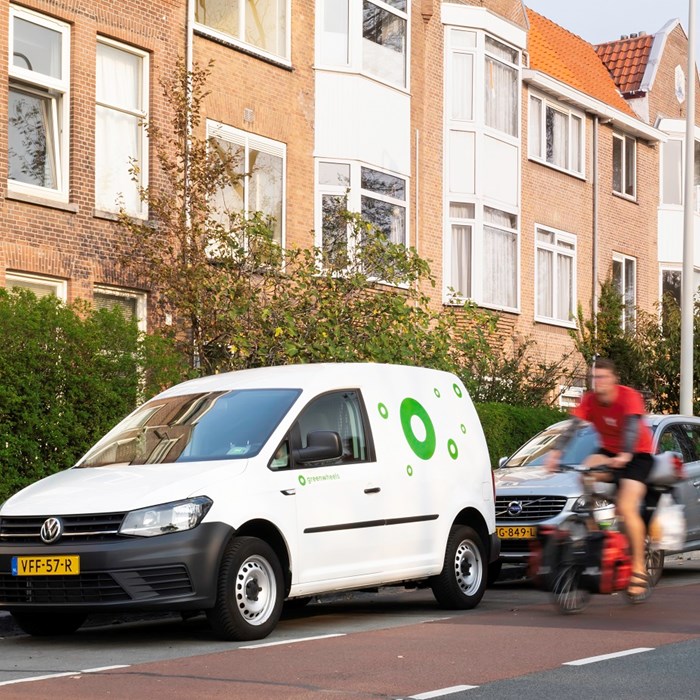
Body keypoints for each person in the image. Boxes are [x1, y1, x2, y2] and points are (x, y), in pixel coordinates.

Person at [547, 358, 654, 603]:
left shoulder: (629, 397)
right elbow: (573, 427)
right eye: (594, 378)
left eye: (603, 378)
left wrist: (625, 454)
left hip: (637, 455)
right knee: (587, 470)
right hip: (609, 452)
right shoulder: (589, 400)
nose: (598, 383)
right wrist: (555, 453)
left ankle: (638, 568)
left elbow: (630, 427)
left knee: (627, 507)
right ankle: (595, 529)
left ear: (614, 379)